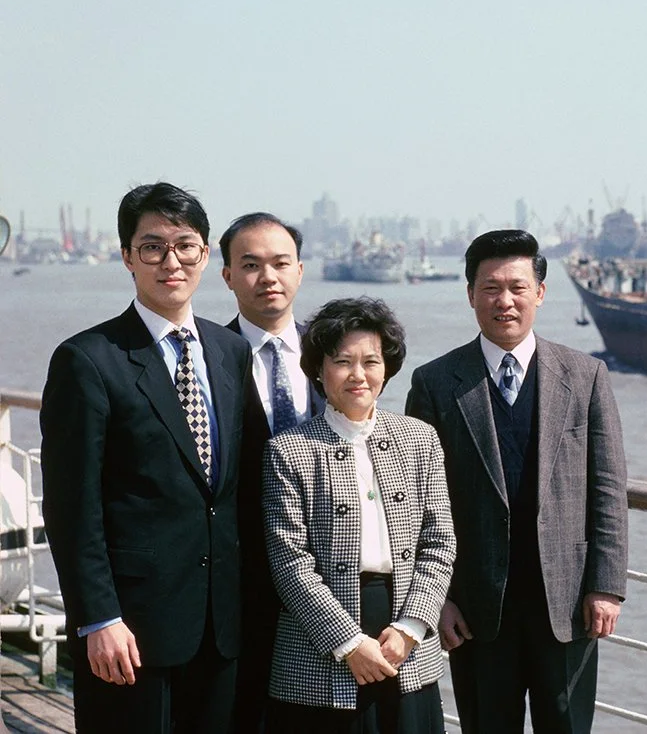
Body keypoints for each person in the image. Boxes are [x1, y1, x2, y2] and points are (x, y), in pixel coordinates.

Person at [40, 182, 255, 734]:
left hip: (221, 625)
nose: (171, 262)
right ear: (127, 258)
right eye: (152, 247)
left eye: (186, 246)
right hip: (130, 630)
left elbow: (235, 490)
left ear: (206, 255)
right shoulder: (88, 360)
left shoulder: (230, 351)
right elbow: (71, 508)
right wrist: (99, 618)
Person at [405, 229, 629, 734]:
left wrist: (607, 587)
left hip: (569, 605)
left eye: (517, 287)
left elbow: (609, 488)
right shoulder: (436, 383)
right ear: (470, 294)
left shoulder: (586, 375)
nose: (504, 300)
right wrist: (437, 600)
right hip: (477, 610)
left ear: (540, 293)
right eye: (490, 287)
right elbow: (415, 502)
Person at [262, 297, 455, 734]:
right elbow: (289, 562)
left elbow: (440, 541)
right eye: (342, 361)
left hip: (405, 636)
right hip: (320, 645)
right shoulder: (288, 451)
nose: (358, 375)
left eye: (370, 361)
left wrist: (410, 628)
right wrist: (348, 643)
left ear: (386, 368)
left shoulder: (419, 439)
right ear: (318, 369)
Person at [219, 211, 323, 732]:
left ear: (300, 271)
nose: (269, 277)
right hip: (236, 581)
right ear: (228, 276)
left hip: (329, 581)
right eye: (251, 265)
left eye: (281, 263)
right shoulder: (205, 359)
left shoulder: (336, 355)